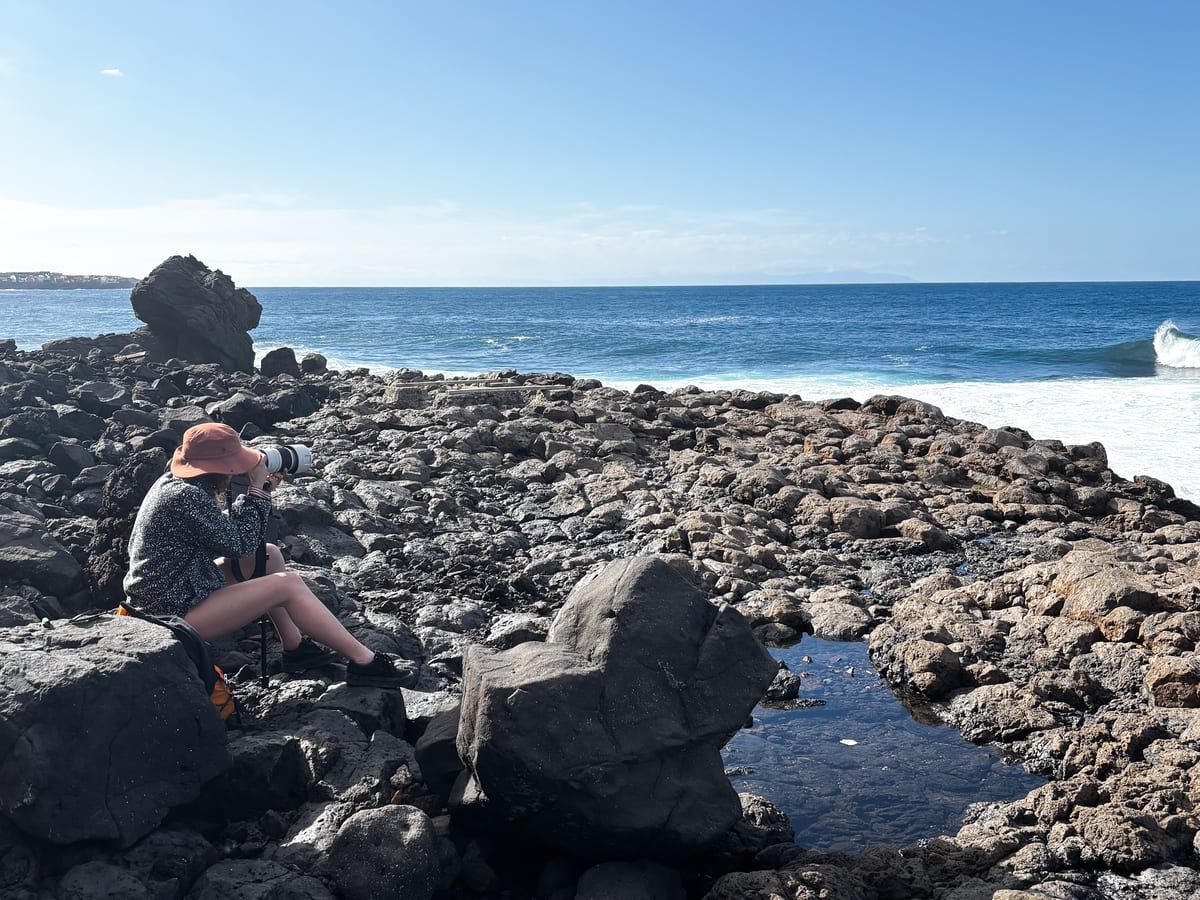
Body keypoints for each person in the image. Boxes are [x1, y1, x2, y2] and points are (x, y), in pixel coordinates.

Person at [123, 422, 405, 687]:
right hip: (168, 613)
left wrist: (263, 489)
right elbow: (240, 545)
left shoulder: (173, 484)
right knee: (288, 585)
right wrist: (257, 489)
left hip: (173, 588)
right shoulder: (187, 496)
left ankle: (295, 648)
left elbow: (219, 530)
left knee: (268, 555)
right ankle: (365, 663)